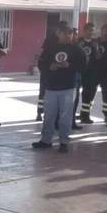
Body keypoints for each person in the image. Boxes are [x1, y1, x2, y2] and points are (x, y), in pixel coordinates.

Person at [33, 25, 86, 153]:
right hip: (51, 87)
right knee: (49, 115)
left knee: (65, 116)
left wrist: (70, 65)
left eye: (70, 34)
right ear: (59, 34)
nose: (67, 36)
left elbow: (83, 66)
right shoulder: (50, 48)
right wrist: (49, 67)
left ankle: (64, 142)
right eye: (65, 33)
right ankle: (46, 140)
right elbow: (41, 63)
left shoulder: (77, 49)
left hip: (68, 87)